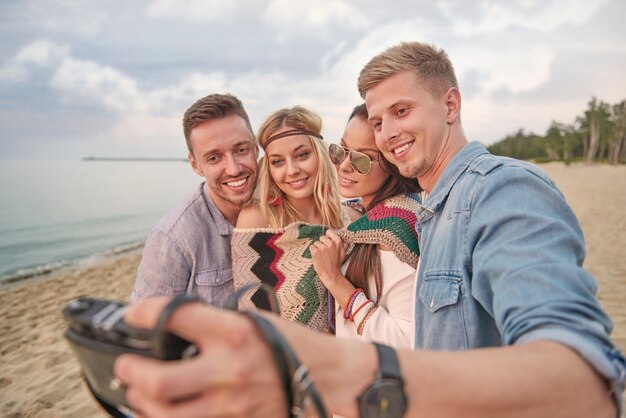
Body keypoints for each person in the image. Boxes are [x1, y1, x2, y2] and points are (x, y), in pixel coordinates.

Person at [115, 42, 625, 418]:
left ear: (451, 105)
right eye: (378, 123)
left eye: (401, 112)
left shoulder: (500, 190)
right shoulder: (426, 209)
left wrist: (343, 368)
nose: (389, 133)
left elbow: (584, 384)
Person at [130, 93, 258, 306]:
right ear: (195, 165)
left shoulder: (281, 204)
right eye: (214, 158)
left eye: (241, 150)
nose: (234, 169)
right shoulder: (173, 238)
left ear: (256, 148)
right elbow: (146, 327)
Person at [311, 103, 421, 349]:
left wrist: (334, 279)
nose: (344, 165)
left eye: (363, 159)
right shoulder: (368, 215)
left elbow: (404, 341)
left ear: (393, 160)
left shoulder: (394, 232)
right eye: (341, 150)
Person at [232, 105, 351, 333]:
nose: (292, 170)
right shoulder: (256, 220)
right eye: (278, 162)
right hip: (283, 359)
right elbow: (250, 317)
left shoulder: (349, 219)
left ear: (321, 154)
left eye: (302, 155)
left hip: (348, 357)